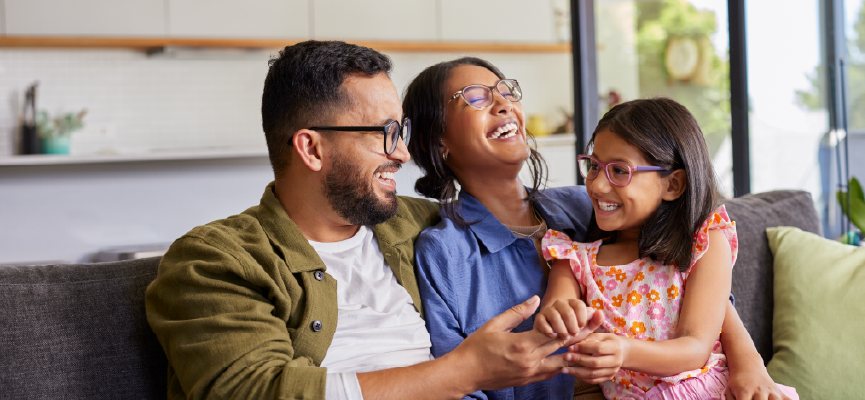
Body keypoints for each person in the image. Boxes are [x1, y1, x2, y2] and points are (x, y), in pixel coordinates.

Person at [145, 40, 587, 400]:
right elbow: (252, 389)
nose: (402, 154)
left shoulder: (423, 225)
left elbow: (544, 219)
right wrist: (464, 372)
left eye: (403, 133)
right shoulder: (214, 260)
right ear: (311, 148)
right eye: (384, 134)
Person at [404, 57, 794, 400]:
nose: (505, 103)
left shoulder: (586, 203)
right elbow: (452, 382)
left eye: (505, 90)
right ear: (436, 140)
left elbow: (683, 283)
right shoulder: (445, 252)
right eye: (476, 96)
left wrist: (749, 361)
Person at [536, 98, 799, 399]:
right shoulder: (573, 260)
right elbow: (555, 310)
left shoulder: (705, 243)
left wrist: (624, 350)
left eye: (619, 171)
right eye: (594, 166)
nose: (596, 186)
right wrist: (558, 317)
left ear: (673, 185)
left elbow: (695, 348)